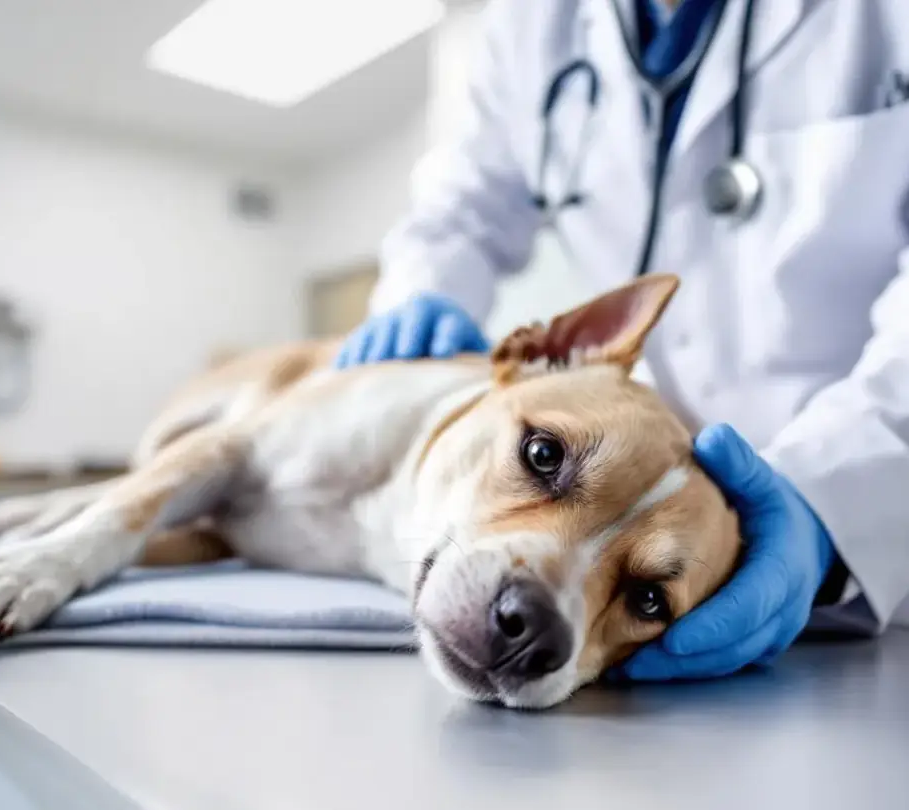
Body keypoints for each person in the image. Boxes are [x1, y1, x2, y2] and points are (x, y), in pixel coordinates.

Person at [335, 0, 909, 681]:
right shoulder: (535, 22)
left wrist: (835, 495)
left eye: (543, 454)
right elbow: (466, 198)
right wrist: (425, 288)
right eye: (541, 455)